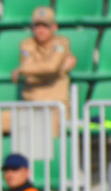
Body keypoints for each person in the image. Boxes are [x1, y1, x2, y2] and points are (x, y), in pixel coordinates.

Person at [9, 6, 77, 135]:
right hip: (30, 107)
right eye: (37, 26)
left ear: (54, 28)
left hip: (55, 109)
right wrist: (53, 70)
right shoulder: (27, 44)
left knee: (47, 132)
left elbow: (51, 68)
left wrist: (22, 70)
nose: (40, 30)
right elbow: (38, 70)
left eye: (45, 26)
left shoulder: (61, 43)